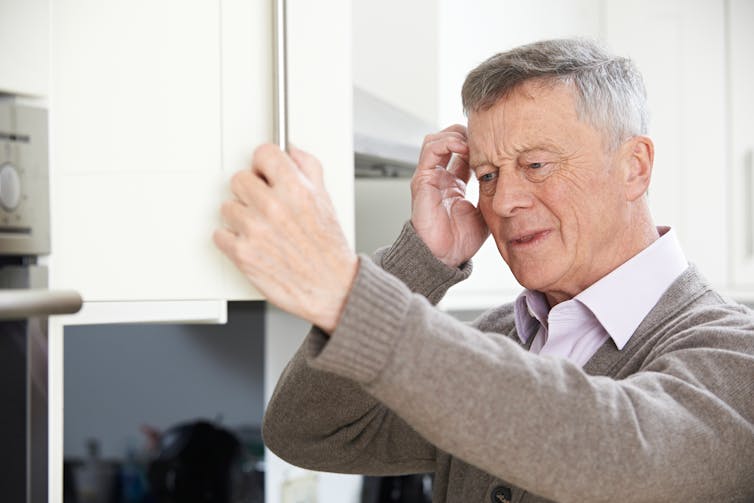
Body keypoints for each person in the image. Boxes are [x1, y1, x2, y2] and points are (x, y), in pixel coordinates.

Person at [213, 39, 754, 502]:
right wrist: (419, 263)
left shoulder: (733, 354)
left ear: (633, 168)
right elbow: (308, 431)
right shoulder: (503, 337)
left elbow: (618, 450)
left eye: (536, 165)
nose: (504, 201)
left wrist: (346, 293)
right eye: (489, 174)